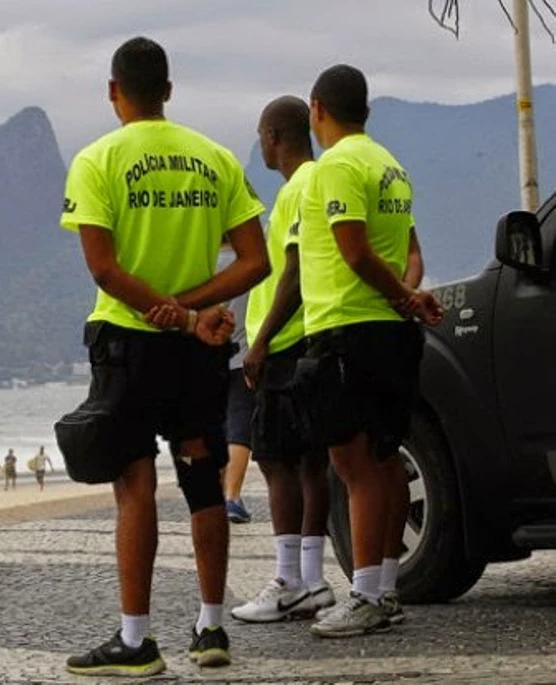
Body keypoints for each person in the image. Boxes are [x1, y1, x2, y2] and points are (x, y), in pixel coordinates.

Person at [60, 36, 269, 676]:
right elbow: (255, 261)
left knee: (136, 487)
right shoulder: (215, 158)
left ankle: (136, 640)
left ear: (113, 91)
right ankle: (211, 629)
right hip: (197, 352)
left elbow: (104, 270)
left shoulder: (96, 160)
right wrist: (191, 310)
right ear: (169, 93)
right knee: (204, 483)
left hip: (127, 347)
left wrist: (169, 312)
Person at [297, 65, 442, 638]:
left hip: (347, 328)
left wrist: (401, 295)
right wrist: (406, 296)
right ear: (366, 111)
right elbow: (413, 250)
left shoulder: (336, 165)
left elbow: (353, 253)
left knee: (352, 466)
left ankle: (363, 595)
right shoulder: (390, 166)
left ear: (317, 109)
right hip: (391, 332)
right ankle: (384, 589)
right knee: (386, 460)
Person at [231, 95, 336, 623]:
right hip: (310, 336)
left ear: (274, 137)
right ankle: (313, 579)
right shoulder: (320, 181)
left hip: (286, 341)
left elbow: (290, 274)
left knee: (275, 460)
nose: (260, 144)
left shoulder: (296, 190)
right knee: (312, 461)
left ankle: (290, 579)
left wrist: (261, 340)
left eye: (260, 134)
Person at [223, 289, 254, 524]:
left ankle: (213, 500)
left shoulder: (205, 263)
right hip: (242, 357)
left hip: (205, 357)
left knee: (213, 427)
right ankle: (231, 496)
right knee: (239, 426)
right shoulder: (250, 266)